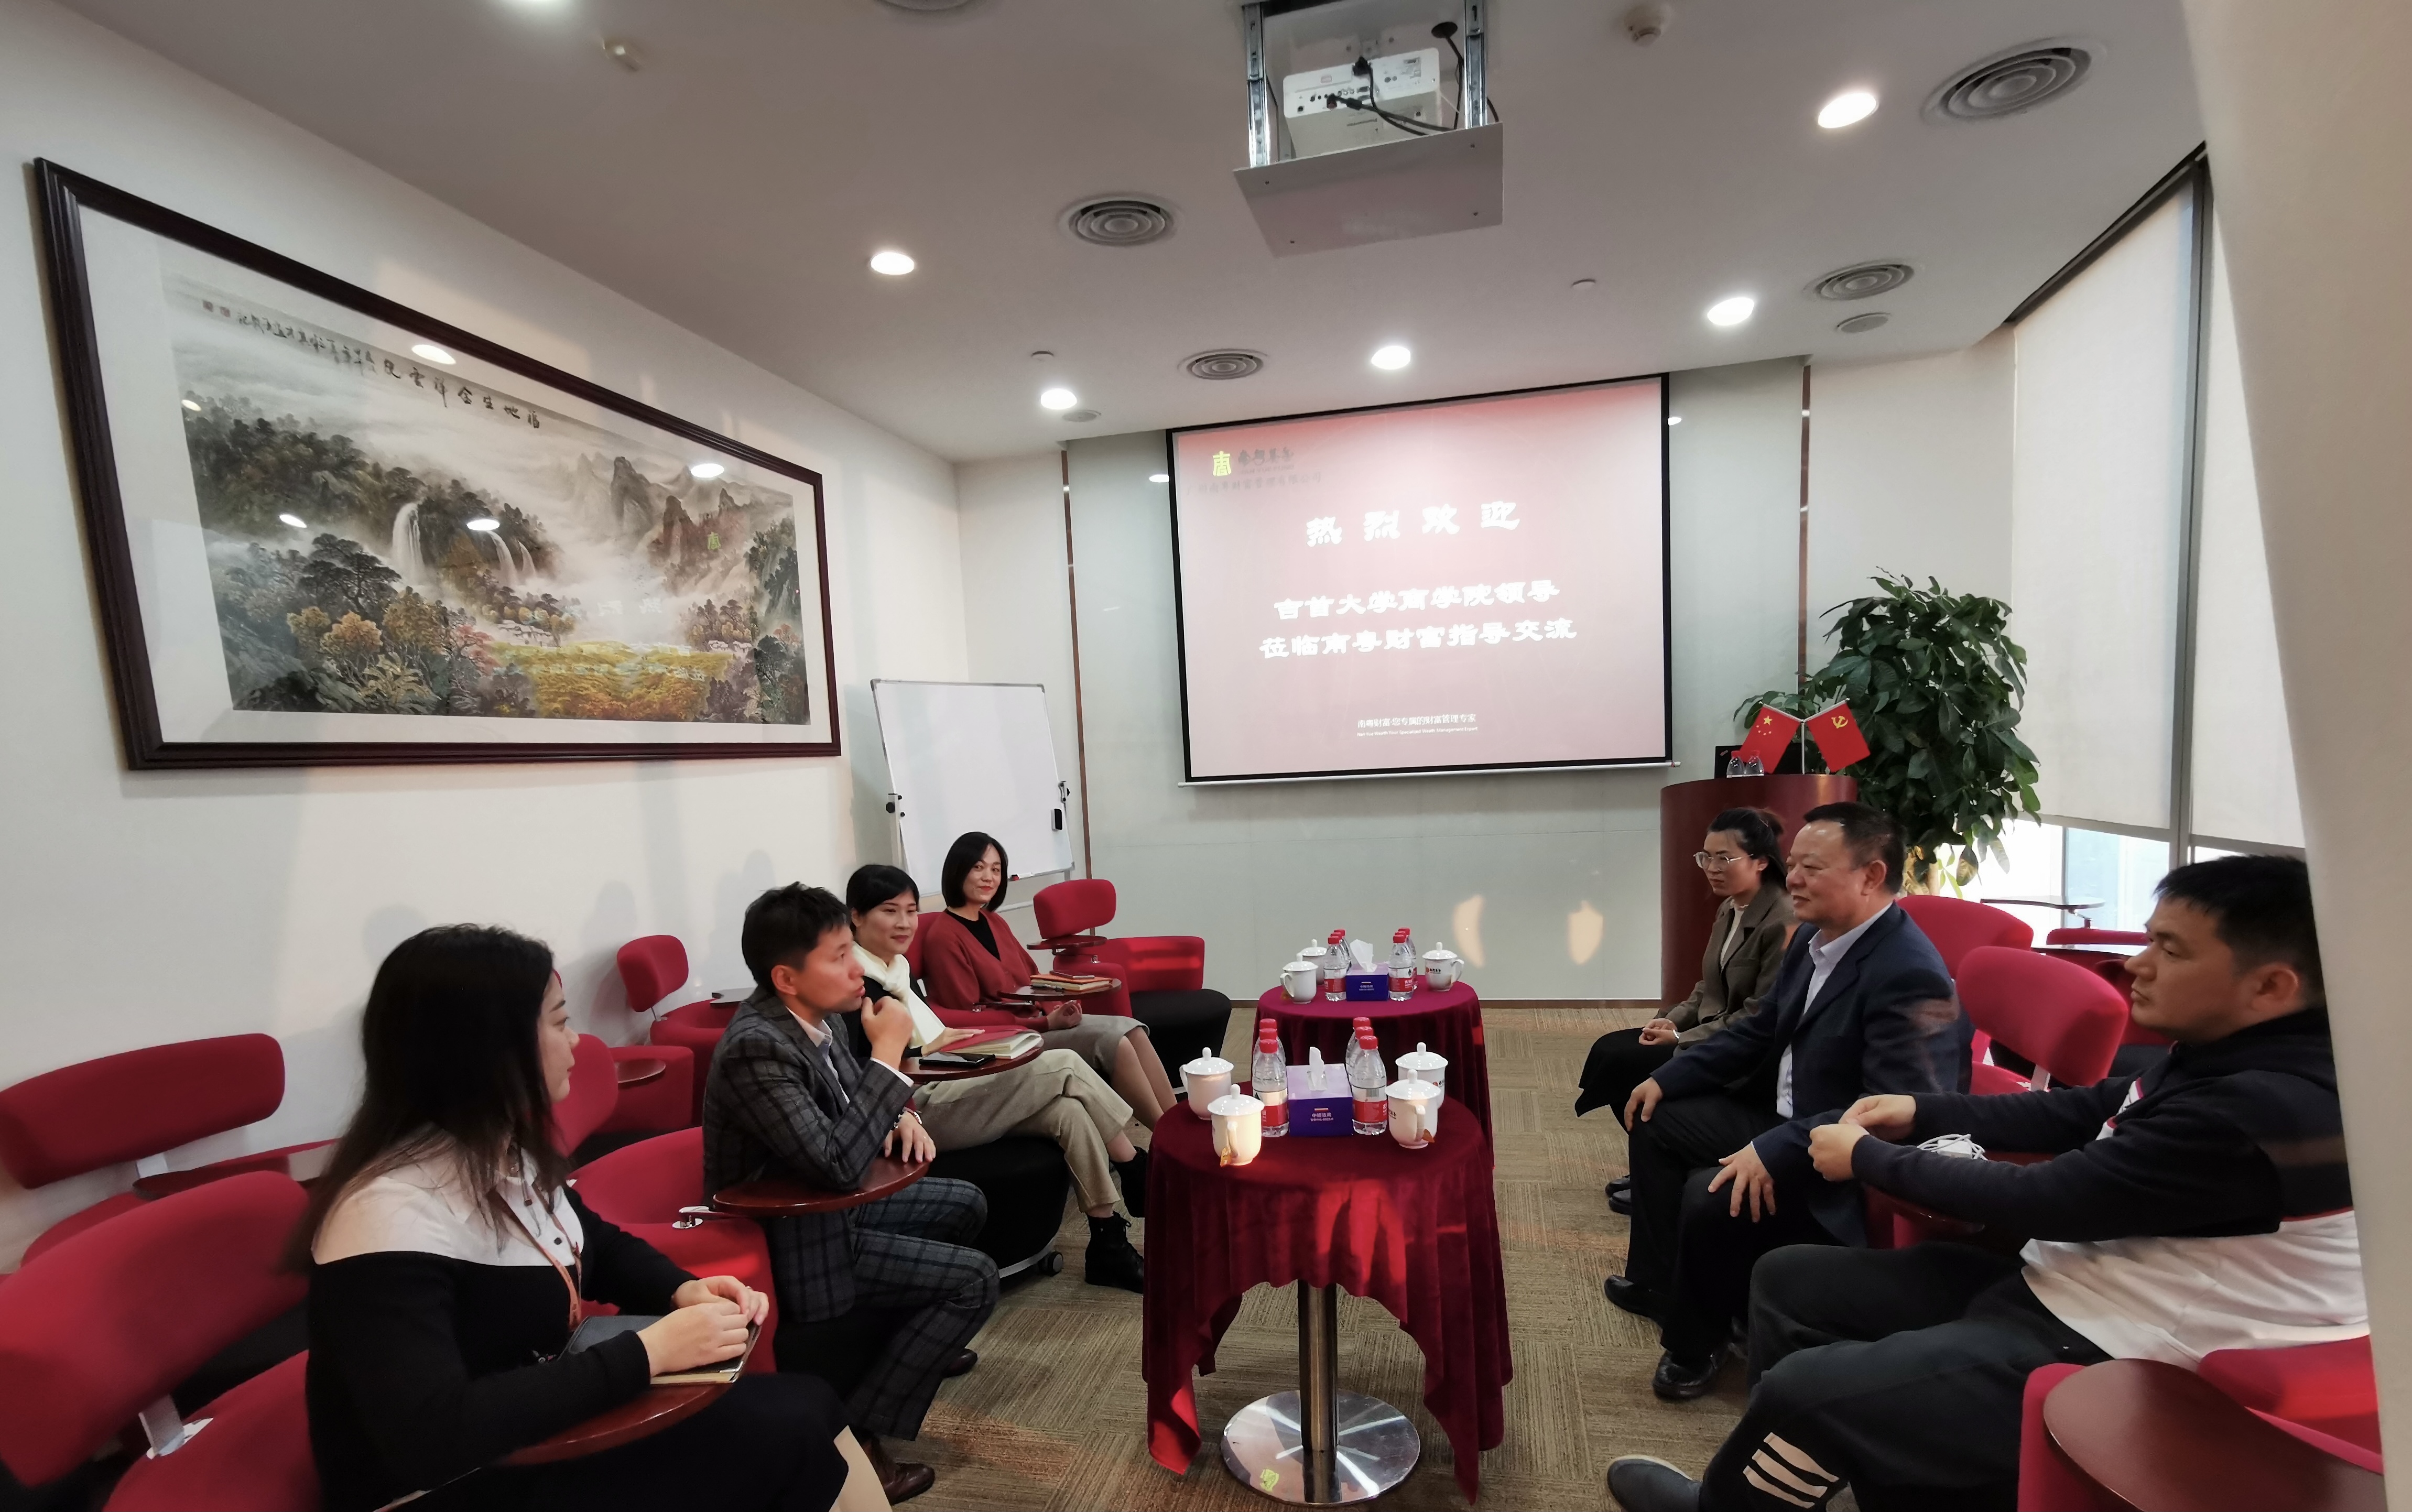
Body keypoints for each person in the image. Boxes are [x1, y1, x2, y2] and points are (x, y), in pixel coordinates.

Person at [1607, 854, 2362, 1512]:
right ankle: (1828, 1472)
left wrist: (1866, 1158)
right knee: (1789, 1281)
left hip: (2129, 1347)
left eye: (2169, 949)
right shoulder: (2224, 1055)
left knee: (1806, 1389)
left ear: (2269, 985)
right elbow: (2084, 1108)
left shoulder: (2262, 1109)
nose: (2138, 964)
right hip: (2075, 1284)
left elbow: (2049, 1199)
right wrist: (1921, 1110)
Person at [298, 924, 885, 1512]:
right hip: (452, 1482)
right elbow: (430, 1434)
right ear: (490, 1050)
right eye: (559, 1021)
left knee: (809, 1402)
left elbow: (593, 1242)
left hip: (534, 1430)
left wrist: (681, 1289)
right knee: (783, 1434)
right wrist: (650, 1352)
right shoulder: (384, 1213)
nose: (577, 1040)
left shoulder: (498, 1152)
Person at [1610, 801, 1964, 1401]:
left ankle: (1698, 1340)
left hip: (1838, 1157)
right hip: (1783, 1115)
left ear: (1871, 875)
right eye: (1792, 862)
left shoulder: (1908, 972)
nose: (1791, 878)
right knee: (1657, 1116)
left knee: (1709, 1191)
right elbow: (1758, 1030)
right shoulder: (1814, 940)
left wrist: (1774, 1148)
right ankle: (1662, 1284)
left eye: (1811, 867)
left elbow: (1885, 1112)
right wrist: (1672, 1076)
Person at [704, 884, 1000, 1506]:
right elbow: (837, 1162)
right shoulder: (757, 1046)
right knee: (975, 1280)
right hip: (795, 1233)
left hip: (837, 1204)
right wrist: (889, 1056)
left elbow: (848, 1105)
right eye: (839, 955)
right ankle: (859, 1432)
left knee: (966, 1202)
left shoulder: (824, 1014)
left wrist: (901, 1113)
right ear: (786, 977)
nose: (856, 968)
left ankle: (911, 1345)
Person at [848, 863, 1147, 1289]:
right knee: (1064, 1063)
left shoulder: (896, 970)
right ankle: (1134, 1166)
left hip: (943, 1080)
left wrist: (963, 1043)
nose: (904, 923)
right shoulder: (855, 986)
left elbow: (929, 1038)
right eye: (889, 911)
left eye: (911, 911)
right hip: (912, 1113)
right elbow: (870, 1070)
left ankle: (1107, 1241)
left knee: (1068, 1111)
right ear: (856, 915)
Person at [1579, 808, 1796, 1214]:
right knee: (1612, 1052)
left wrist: (1681, 1038)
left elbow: (1757, 1016)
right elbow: (1708, 986)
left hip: (1737, 1050)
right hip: (1707, 1029)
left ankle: (1664, 1172)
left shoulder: (1782, 920)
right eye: (1705, 857)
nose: (1712, 868)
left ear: (1761, 861)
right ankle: (1655, 1168)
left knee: (1630, 1065)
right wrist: (1674, 1018)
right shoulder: (1731, 907)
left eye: (1724, 858)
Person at [915, 831, 1179, 1126]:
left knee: (1132, 1029)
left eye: (996, 869)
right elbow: (969, 1015)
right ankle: (1164, 1135)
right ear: (958, 870)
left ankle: (1176, 1127)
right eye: (978, 867)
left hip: (1037, 1022)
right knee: (1114, 1041)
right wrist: (1044, 1024)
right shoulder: (944, 936)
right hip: (1012, 1040)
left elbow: (1030, 977)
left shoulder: (993, 920)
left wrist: (1057, 1006)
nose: (989, 877)